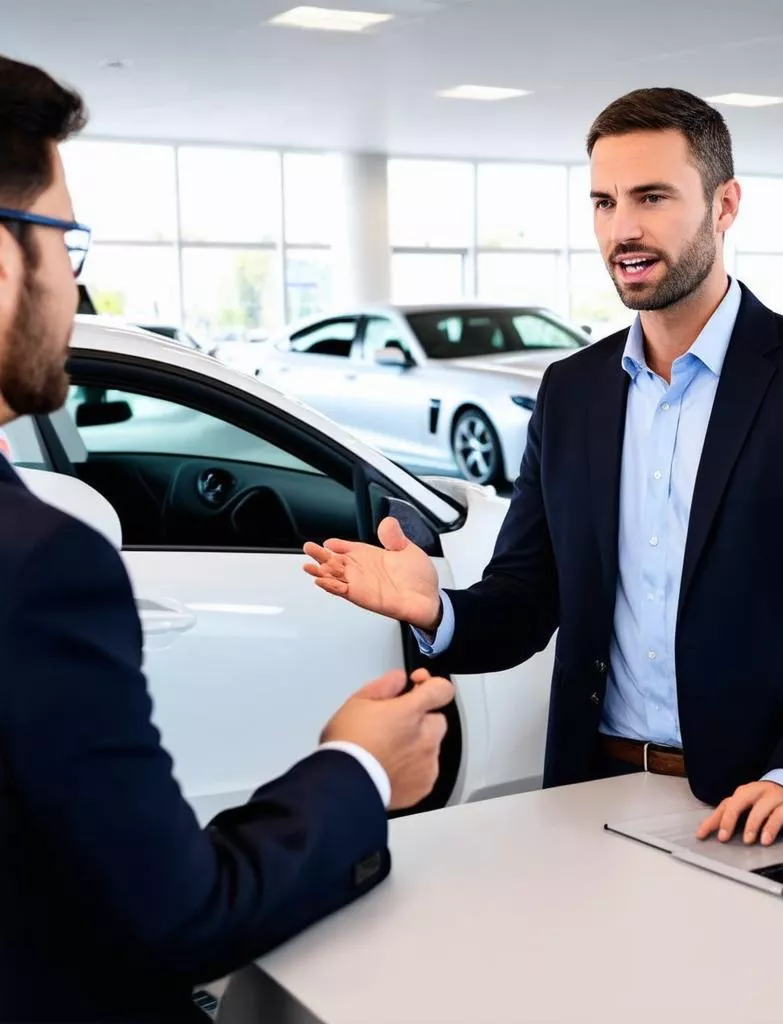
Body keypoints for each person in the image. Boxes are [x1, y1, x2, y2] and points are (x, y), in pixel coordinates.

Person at [304, 87, 783, 849]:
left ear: (725, 205)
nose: (622, 228)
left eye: (652, 197)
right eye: (603, 201)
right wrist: (439, 610)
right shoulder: (572, 391)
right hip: (590, 793)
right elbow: (528, 599)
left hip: (755, 807)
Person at [0, 56, 453, 1024]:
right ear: (5, 261)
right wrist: (358, 763)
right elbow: (177, 917)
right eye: (64, 241)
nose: (74, 289)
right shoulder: (37, 563)